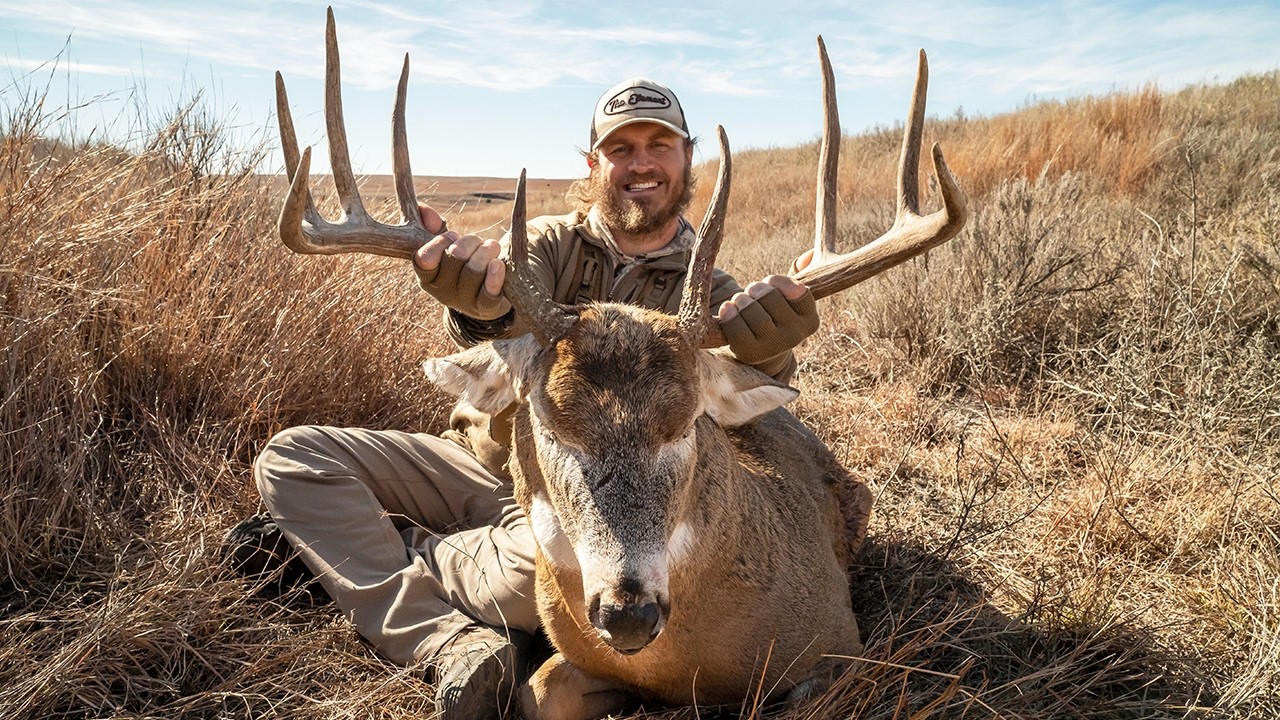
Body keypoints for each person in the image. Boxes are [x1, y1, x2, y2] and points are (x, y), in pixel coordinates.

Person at [224, 77, 820, 720]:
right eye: (621, 148)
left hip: (595, 503)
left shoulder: (710, 288)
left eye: (659, 144)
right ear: (595, 165)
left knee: (529, 583)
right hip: (480, 458)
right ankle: (403, 549)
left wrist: (770, 351)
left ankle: (407, 584)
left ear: (684, 160)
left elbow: (739, 410)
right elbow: (495, 299)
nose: (641, 162)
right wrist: (476, 308)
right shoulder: (541, 244)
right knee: (294, 458)